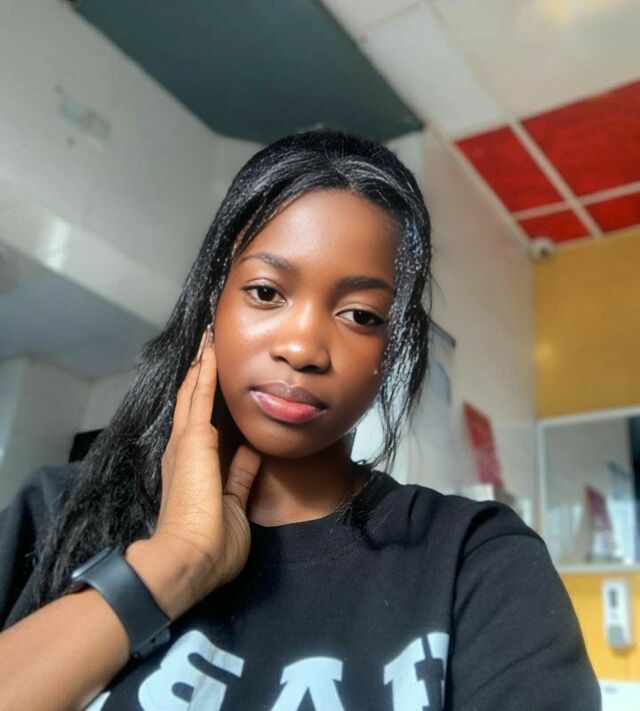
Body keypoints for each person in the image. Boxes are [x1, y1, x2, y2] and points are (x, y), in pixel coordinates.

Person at [0, 131, 600, 710]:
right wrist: (173, 562)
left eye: (361, 315)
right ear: (213, 302)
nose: (303, 348)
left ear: (392, 348)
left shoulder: (476, 561)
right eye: (266, 292)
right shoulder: (56, 512)